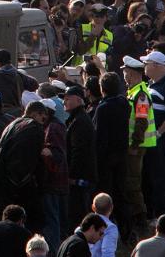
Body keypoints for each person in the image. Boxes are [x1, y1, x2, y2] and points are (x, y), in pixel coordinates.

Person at [0, 101, 46, 232]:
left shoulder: (12, 124)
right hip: (16, 185)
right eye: (43, 117)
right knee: (33, 224)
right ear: (35, 114)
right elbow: (28, 160)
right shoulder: (34, 127)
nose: (43, 122)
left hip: (0, 182)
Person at [140, 51, 165, 219]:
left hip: (162, 141)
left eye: (147, 63)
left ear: (156, 65)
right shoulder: (150, 84)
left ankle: (162, 215)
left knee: (161, 178)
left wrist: (158, 133)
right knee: (149, 177)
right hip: (151, 141)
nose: (144, 66)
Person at [92, 72, 130, 239]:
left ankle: (105, 231)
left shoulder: (103, 109)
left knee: (105, 196)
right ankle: (126, 231)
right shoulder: (124, 104)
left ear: (102, 89)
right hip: (122, 154)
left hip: (107, 158)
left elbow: (100, 137)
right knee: (121, 194)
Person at [121, 55, 156, 233]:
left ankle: (141, 221)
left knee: (133, 183)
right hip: (135, 145)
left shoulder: (141, 94)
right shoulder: (134, 91)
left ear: (133, 74)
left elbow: (141, 122)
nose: (124, 76)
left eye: (126, 72)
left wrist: (134, 145)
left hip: (137, 147)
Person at [63, 85, 97, 232]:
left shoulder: (80, 122)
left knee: (78, 213)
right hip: (80, 176)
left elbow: (79, 151)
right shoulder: (77, 119)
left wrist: (71, 175)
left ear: (78, 100)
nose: (64, 102)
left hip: (80, 178)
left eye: (67, 99)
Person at [39, 98, 68, 255]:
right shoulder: (54, 125)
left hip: (53, 181)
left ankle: (54, 252)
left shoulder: (53, 128)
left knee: (52, 219)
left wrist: (43, 152)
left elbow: (56, 154)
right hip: (55, 180)